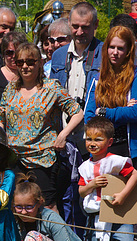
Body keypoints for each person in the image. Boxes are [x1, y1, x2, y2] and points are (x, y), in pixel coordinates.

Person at [0, 43, 83, 209]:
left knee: (46, 206)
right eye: (20, 62)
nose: (25, 66)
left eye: (30, 62)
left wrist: (63, 135)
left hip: (43, 158)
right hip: (14, 158)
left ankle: (52, 236)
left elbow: (77, 113)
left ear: (40, 63)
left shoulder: (52, 88)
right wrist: (1, 140)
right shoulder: (11, 88)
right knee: (18, 206)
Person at [84, 25, 137, 240]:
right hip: (106, 148)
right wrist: (123, 108)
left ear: (129, 50)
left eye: (120, 48)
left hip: (135, 147)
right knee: (107, 200)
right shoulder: (97, 77)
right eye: (111, 47)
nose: (115, 52)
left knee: (134, 203)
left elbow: (136, 112)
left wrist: (104, 112)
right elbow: (88, 118)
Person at [78, 117, 137, 241]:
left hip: (120, 212)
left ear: (109, 141)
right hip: (97, 214)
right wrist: (92, 184)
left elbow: (134, 175)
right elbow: (82, 191)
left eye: (98, 139)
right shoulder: (85, 167)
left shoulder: (116, 161)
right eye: (89, 139)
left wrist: (123, 195)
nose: (92, 143)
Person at [13, 173, 87, 241]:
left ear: (39, 203)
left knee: (33, 235)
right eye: (18, 207)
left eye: (29, 207)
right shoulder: (15, 220)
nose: (23, 212)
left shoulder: (51, 218)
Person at [50, 1, 103, 156]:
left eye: (85, 27)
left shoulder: (105, 53)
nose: (79, 32)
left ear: (96, 25)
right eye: (75, 26)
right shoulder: (58, 55)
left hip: (93, 135)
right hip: (63, 135)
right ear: (68, 23)